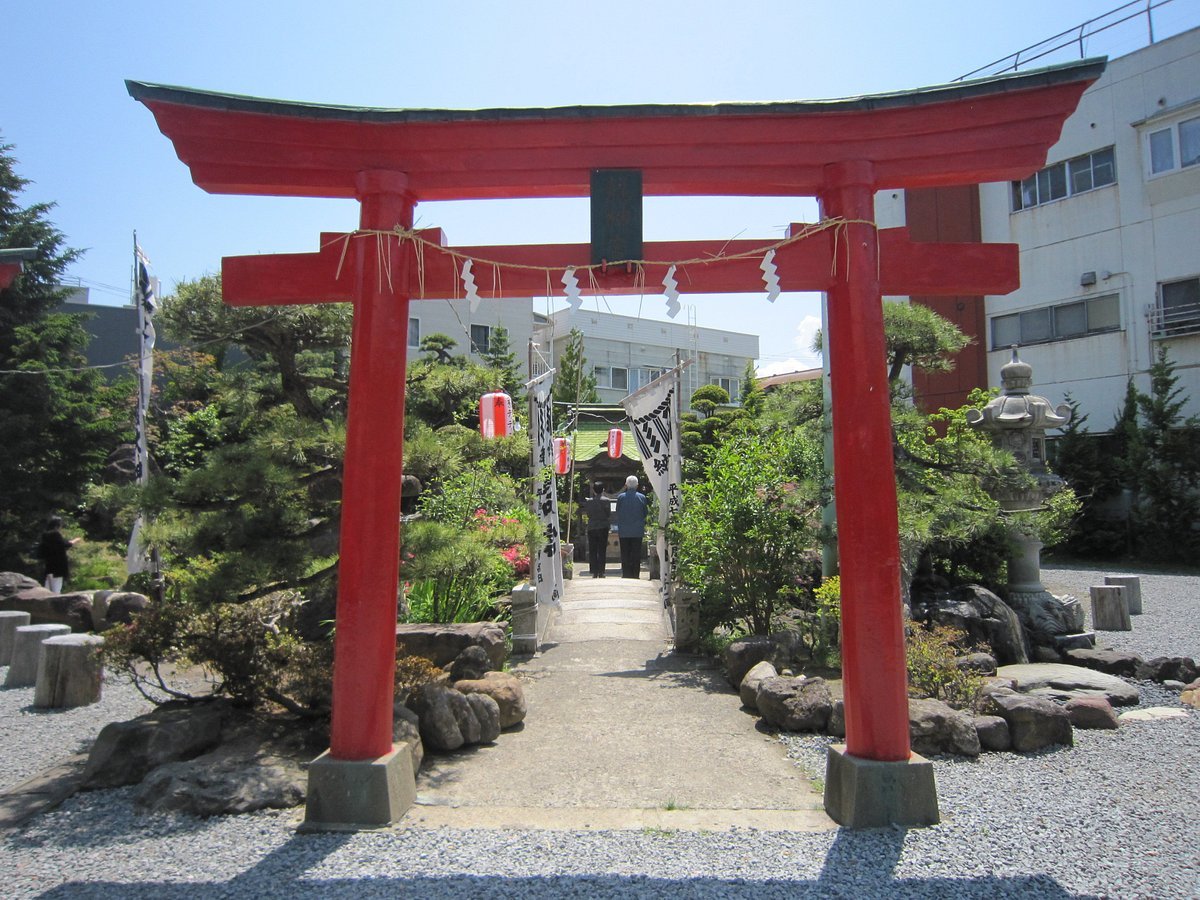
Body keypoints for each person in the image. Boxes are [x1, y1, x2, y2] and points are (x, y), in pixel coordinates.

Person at [614, 474, 648, 579]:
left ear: (626, 485)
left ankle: (626, 574)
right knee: (636, 553)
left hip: (624, 530)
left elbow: (617, 511)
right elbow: (645, 513)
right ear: (637, 485)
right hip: (637, 530)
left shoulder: (621, 497)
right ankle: (635, 574)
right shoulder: (642, 497)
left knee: (625, 553)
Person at [36, 516, 79, 594]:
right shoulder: (55, 535)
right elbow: (64, 545)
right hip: (57, 567)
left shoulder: (45, 535)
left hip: (48, 566)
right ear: (57, 526)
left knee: (47, 589)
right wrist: (74, 541)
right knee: (56, 590)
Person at [582, 481, 612, 578]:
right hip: (603, 526)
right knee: (602, 550)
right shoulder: (607, 501)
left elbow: (588, 514)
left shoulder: (589, 502)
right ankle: (601, 572)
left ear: (594, 490)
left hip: (592, 527)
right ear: (603, 490)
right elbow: (608, 514)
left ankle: (594, 571)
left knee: (593, 550)